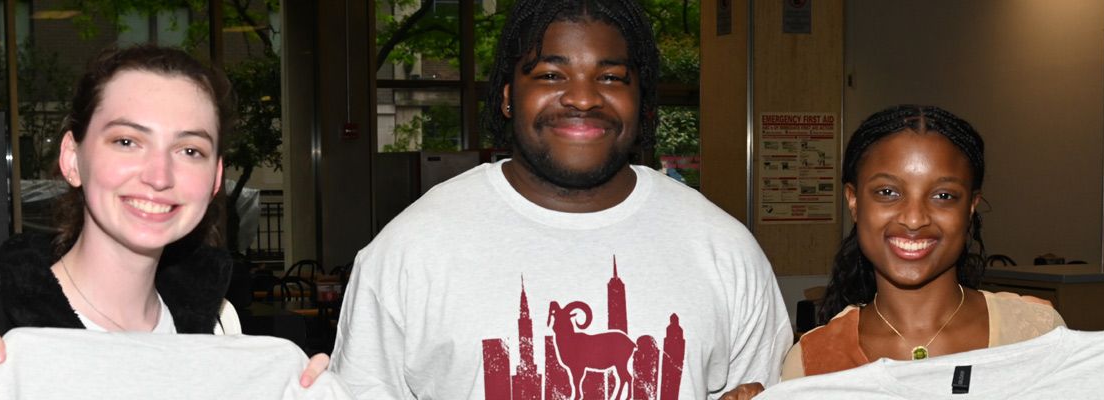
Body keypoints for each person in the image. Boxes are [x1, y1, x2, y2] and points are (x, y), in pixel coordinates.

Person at [328, 0, 790, 399]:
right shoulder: (412, 248)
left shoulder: (723, 250)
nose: (583, 98)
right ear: (509, 96)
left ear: (641, 100)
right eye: (551, 73)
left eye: (611, 77)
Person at [0, 46, 325, 398]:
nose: (159, 175)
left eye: (189, 150)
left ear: (216, 178)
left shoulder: (221, 331)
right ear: (72, 159)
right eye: (127, 142)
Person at [781, 105, 1104, 396]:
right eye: (888, 192)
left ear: (971, 205)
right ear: (854, 201)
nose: (913, 218)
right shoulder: (815, 361)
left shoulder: (1036, 330)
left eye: (944, 196)